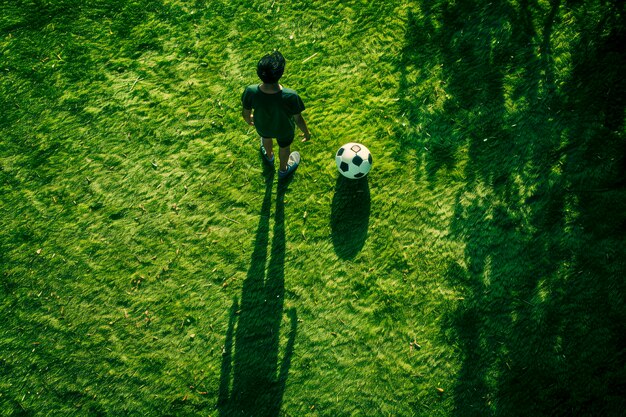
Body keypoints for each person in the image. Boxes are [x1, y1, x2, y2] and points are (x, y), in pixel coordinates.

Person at [241, 51, 311, 179]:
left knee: (266, 139)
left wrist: (249, 120)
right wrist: (306, 132)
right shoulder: (290, 96)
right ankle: (283, 170)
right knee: (284, 148)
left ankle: (269, 156)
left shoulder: (250, 91)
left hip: (262, 126)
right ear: (281, 73)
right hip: (285, 130)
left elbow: (246, 113)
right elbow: (298, 119)